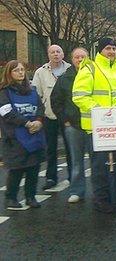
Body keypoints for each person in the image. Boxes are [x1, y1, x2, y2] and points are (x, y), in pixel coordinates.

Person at [72, 37, 116, 213]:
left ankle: (115, 194)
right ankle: (101, 199)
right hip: (97, 127)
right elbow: (79, 95)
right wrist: (100, 112)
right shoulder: (90, 68)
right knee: (100, 166)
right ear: (100, 51)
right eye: (108, 48)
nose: (112, 52)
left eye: (114, 48)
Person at [0, 60, 45, 209]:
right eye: (16, 70)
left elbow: (40, 107)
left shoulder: (32, 90)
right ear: (9, 73)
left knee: (34, 168)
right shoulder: (4, 92)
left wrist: (38, 121)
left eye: (22, 70)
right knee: (17, 169)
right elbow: (7, 113)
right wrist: (26, 124)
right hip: (14, 137)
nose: (20, 72)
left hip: (34, 135)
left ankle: (30, 197)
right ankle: (11, 198)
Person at [50, 47, 90, 203]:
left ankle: (102, 191)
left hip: (93, 125)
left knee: (98, 161)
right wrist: (65, 121)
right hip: (73, 126)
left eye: (83, 57)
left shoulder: (95, 76)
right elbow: (56, 101)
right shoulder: (65, 78)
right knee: (76, 161)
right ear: (72, 60)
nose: (80, 60)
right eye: (76, 57)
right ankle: (77, 191)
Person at [32, 44, 72, 190]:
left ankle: (72, 176)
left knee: (70, 148)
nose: (56, 54)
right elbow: (36, 94)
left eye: (58, 51)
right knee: (51, 148)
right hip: (49, 116)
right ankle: (51, 178)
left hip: (67, 116)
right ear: (48, 55)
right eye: (52, 52)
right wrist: (39, 115)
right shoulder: (40, 72)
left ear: (63, 54)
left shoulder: (70, 70)